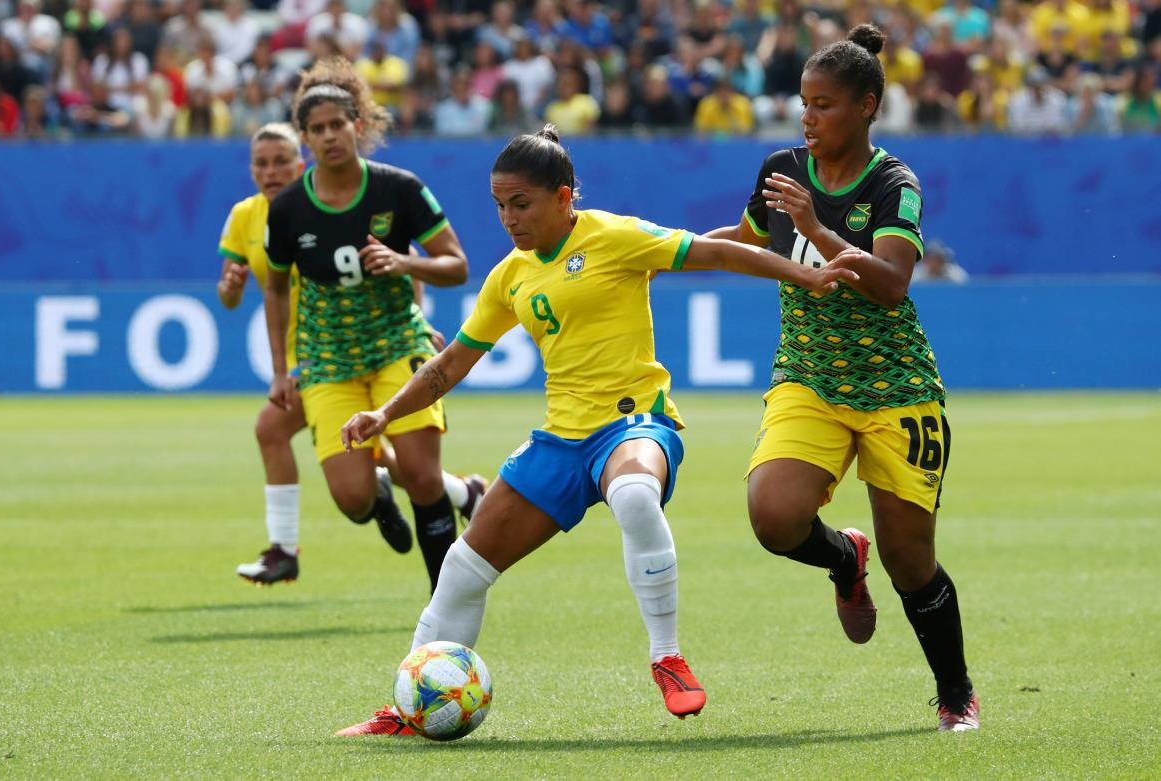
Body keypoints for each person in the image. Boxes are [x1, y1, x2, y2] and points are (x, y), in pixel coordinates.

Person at [334, 124, 861, 736]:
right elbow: (451, 362)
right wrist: (384, 415)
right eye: (500, 206)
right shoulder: (510, 276)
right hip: (562, 439)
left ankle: (667, 657)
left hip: (635, 424)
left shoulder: (617, 236)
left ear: (564, 197)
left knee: (634, 493)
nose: (509, 218)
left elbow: (718, 252)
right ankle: (406, 710)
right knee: (462, 566)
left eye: (521, 204)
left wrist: (808, 275)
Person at [707, 24, 979, 732]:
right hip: (809, 376)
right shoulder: (781, 168)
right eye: (803, 102)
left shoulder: (895, 184)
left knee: (910, 559)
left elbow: (890, 283)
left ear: (867, 106)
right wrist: (655, 248)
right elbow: (746, 240)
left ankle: (956, 694)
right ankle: (841, 557)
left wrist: (819, 229)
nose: (808, 116)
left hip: (897, 387)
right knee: (772, 515)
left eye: (824, 104)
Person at [219, 122, 488, 585]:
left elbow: (400, 261)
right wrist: (230, 291)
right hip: (319, 358)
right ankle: (459, 492)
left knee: (390, 459)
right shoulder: (249, 216)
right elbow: (258, 290)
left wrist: (418, 322)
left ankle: (284, 549)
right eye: (261, 163)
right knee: (352, 471)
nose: (271, 170)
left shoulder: (347, 200)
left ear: (300, 159)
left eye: (281, 160)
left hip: (374, 345)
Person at [263, 58, 474, 595]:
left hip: (397, 346)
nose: (329, 136)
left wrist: (408, 264)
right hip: (330, 360)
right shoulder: (287, 209)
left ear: (358, 124)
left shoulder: (399, 189)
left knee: (425, 479)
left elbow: (457, 265)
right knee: (352, 500)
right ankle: (379, 493)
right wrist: (281, 370)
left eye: (338, 124)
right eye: (317, 129)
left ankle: (444, 608)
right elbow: (276, 287)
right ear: (305, 138)